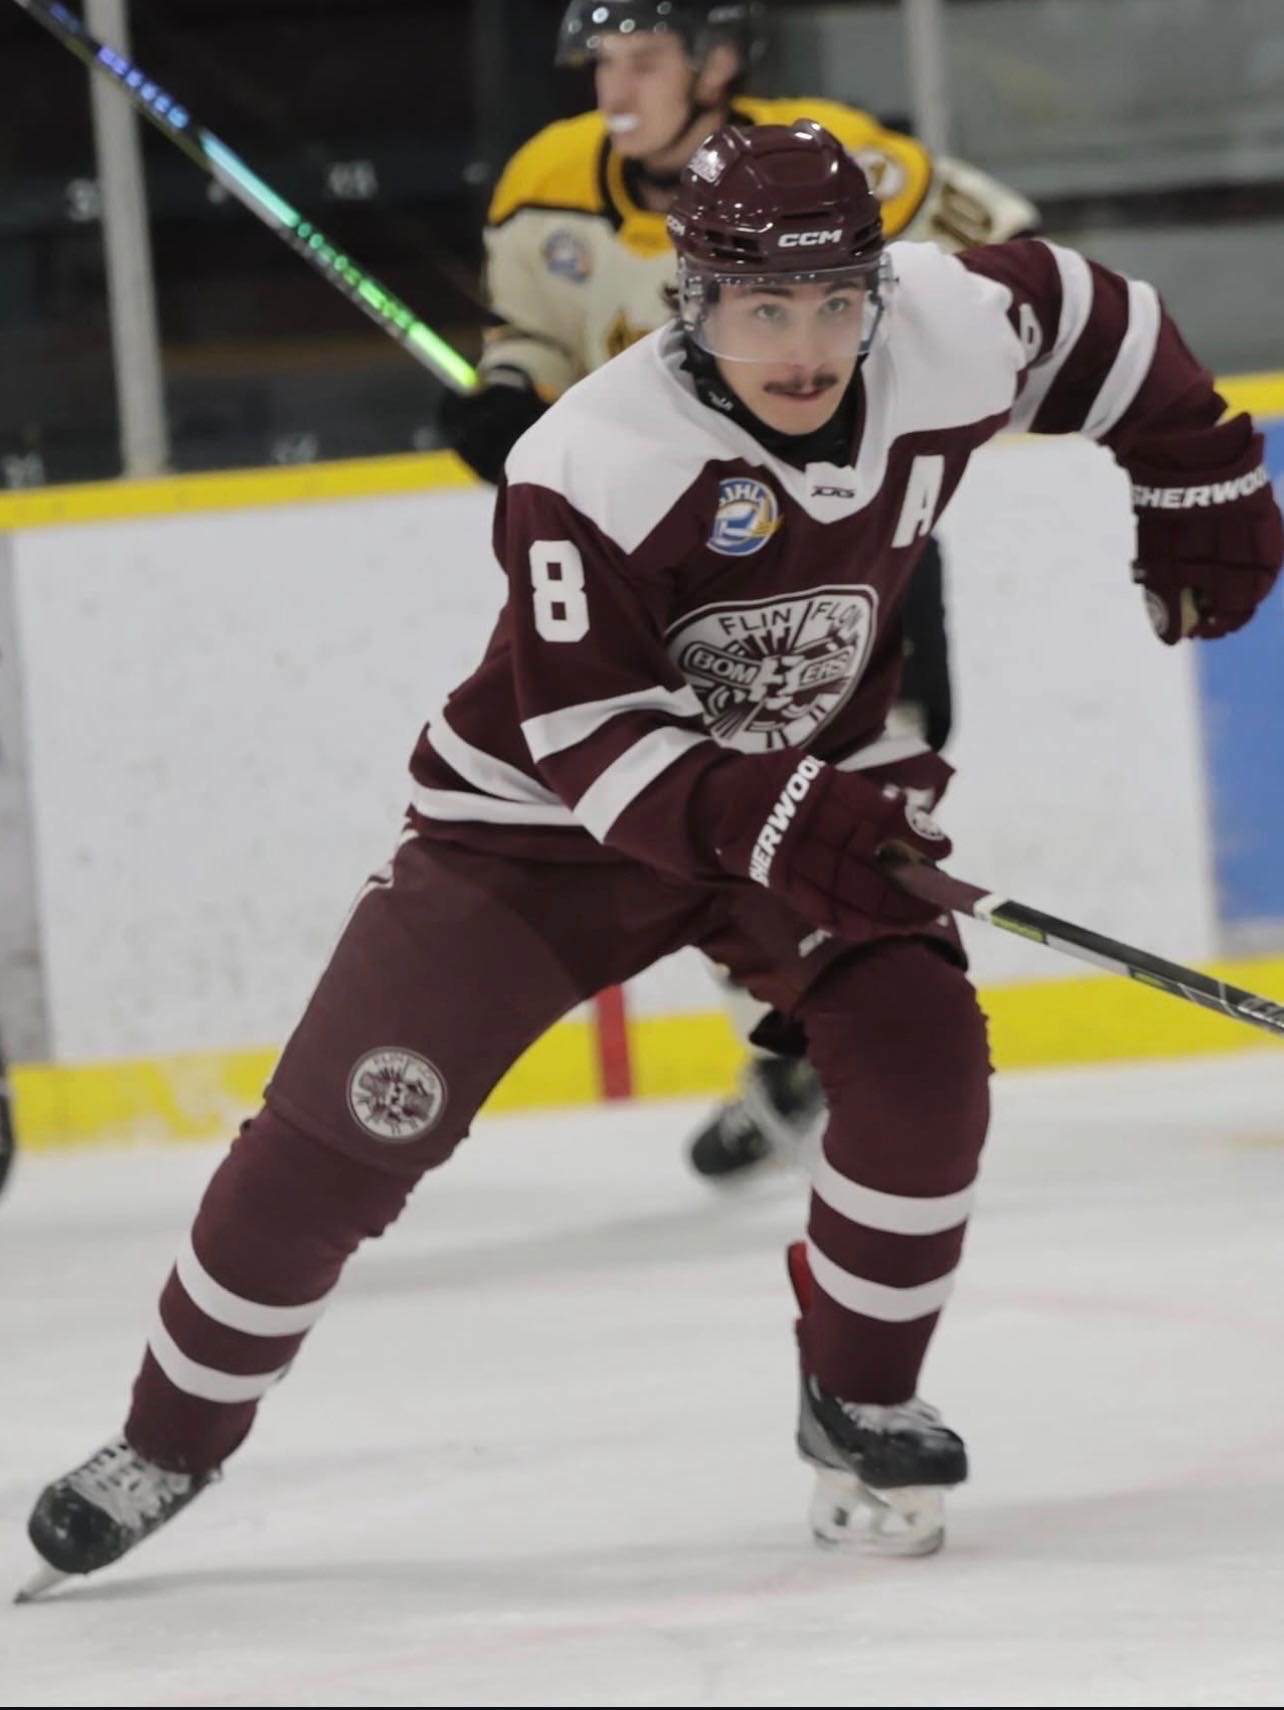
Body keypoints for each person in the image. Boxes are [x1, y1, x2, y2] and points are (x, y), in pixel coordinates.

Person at [21, 120, 1282, 1595]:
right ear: (694, 299)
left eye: (836, 304)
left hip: (797, 793)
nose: (804, 348)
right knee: (342, 1137)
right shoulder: (597, 457)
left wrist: (1199, 472)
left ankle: (860, 1398)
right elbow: (587, 736)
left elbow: (1094, 315)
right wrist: (787, 814)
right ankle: (166, 1439)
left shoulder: (945, 330)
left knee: (924, 1062)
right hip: (533, 838)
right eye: (763, 309)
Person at [441, 0, 1039, 1182]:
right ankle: (801, 1039)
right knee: (708, 818)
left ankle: (852, 1029)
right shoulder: (545, 184)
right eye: (604, 63)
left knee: (864, 793)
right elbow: (537, 339)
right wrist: (508, 399)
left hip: (849, 545)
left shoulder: (829, 161)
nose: (616, 88)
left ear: (715, 64)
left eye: (644, 60)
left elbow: (1006, 254)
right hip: (672, 577)